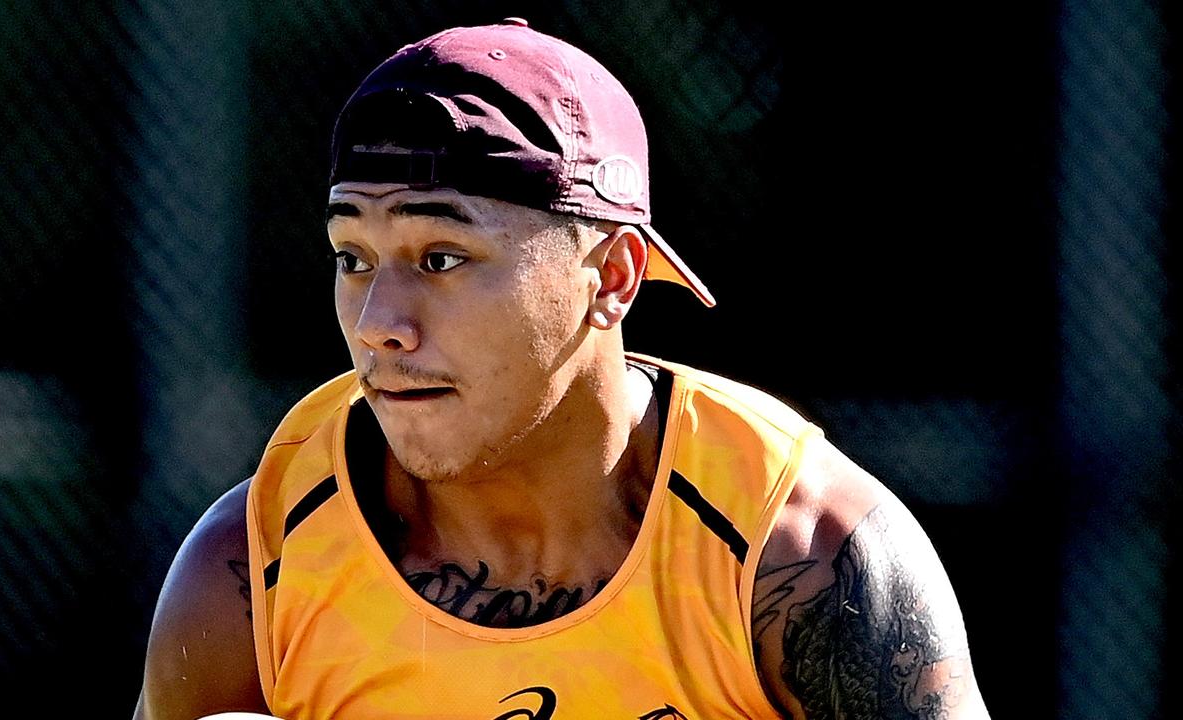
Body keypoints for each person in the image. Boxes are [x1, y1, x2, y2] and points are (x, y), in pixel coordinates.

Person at [133, 18, 991, 720]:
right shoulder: (254, 565)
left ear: (611, 277)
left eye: (441, 258)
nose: (378, 324)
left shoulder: (802, 556)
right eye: (353, 256)